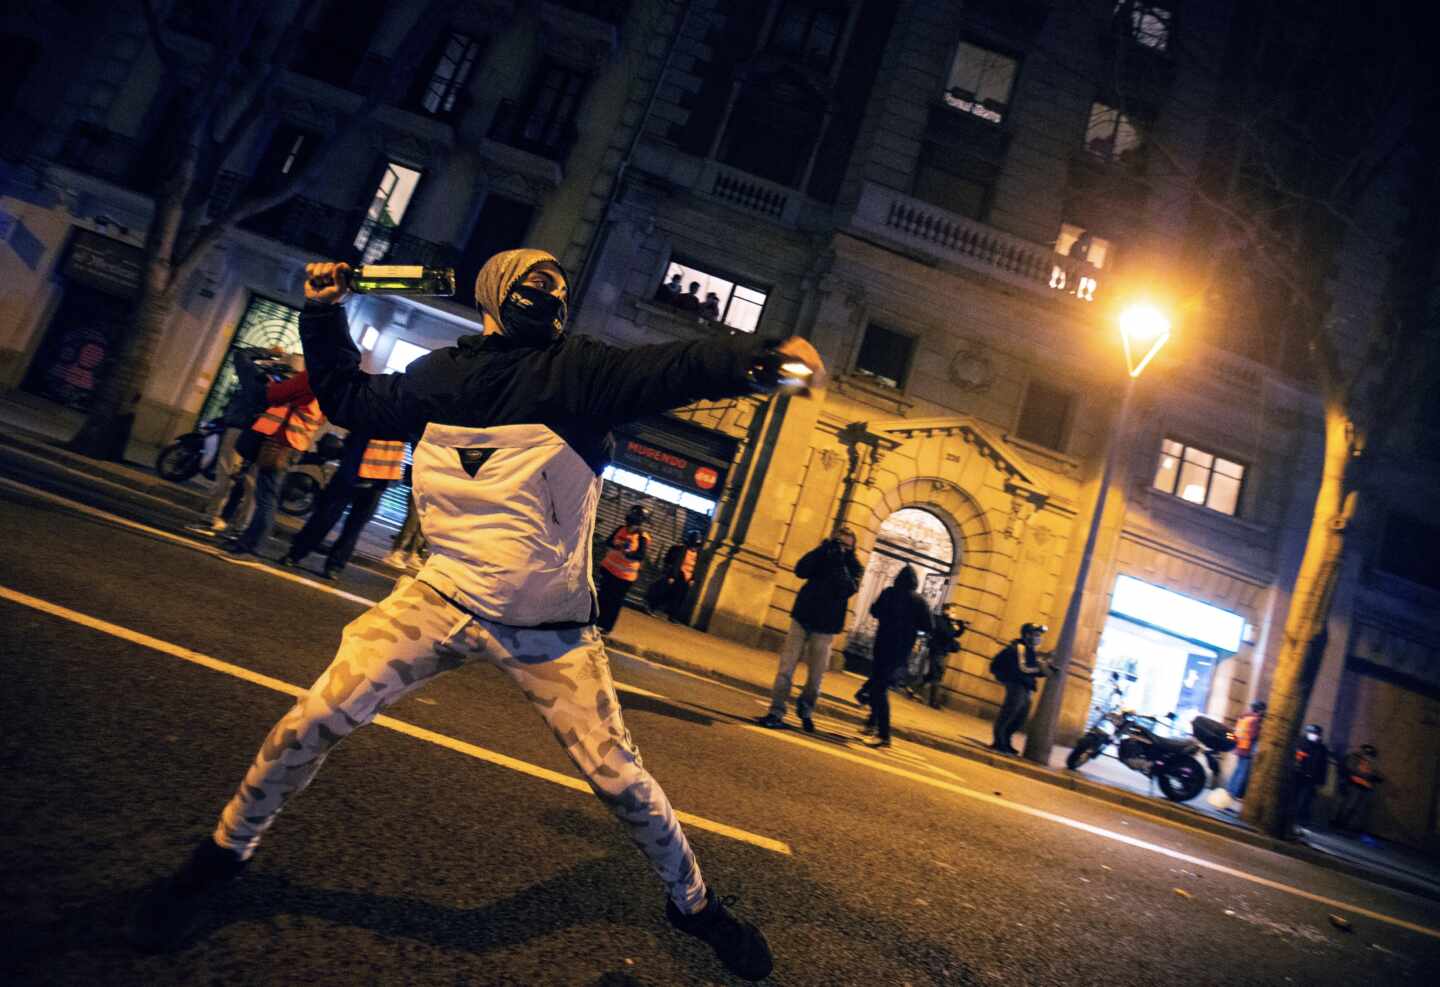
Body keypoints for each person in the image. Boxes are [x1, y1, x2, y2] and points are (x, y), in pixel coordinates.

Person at [130, 248, 823, 980]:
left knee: (622, 781)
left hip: (549, 630)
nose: (551, 292)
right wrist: (323, 311)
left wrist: (759, 358)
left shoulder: (579, 371)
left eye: (559, 284)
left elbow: (674, 367)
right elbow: (349, 402)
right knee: (310, 719)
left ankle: (694, 904)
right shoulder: (442, 374)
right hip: (438, 598)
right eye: (536, 280)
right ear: (498, 292)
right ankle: (216, 861)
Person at [759, 527, 863, 733]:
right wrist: (822, 551)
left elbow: (847, 589)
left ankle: (805, 710)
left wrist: (839, 563)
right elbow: (800, 570)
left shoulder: (854, 566)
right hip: (802, 618)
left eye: (846, 546)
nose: (841, 548)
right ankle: (776, 712)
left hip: (826, 627)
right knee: (785, 669)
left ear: (852, 548)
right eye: (837, 543)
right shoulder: (822, 554)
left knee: (816, 677)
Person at [219, 356, 325, 559]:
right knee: (267, 494)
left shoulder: (311, 378)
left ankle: (252, 545)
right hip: (297, 443)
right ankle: (248, 541)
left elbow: (275, 393)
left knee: (266, 496)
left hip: (281, 442)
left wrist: (274, 385)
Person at [191, 347, 290, 536]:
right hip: (265, 435)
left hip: (239, 429)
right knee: (252, 483)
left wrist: (269, 352)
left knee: (226, 474)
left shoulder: (255, 376)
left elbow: (241, 355)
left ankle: (212, 519)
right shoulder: (289, 389)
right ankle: (241, 527)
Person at [280, 432, 405, 579]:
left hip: (374, 476)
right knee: (327, 517)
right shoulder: (392, 415)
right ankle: (302, 555)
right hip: (357, 469)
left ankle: (328, 563)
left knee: (349, 525)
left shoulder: (401, 416)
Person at [858, 567, 931, 748]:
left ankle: (883, 734)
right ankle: (872, 725)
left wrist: (887, 618)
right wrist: (913, 631)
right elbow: (929, 626)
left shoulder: (889, 593)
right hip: (901, 650)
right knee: (879, 686)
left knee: (879, 687)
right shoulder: (920, 601)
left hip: (882, 644)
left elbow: (874, 611)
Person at [989, 622, 1048, 754]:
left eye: (1039, 635)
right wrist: (1041, 670)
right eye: (1036, 635)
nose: (1039, 638)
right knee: (1010, 712)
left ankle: (1006, 740)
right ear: (1027, 635)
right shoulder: (1020, 648)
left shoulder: (1030, 650)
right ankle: (999, 742)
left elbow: (1030, 667)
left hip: (1025, 685)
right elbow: (1023, 668)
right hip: (1016, 684)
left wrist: (1041, 668)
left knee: (1021, 716)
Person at [596, 504, 651, 633]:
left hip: (624, 577)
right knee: (602, 597)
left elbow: (640, 555)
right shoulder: (621, 529)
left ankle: (606, 627)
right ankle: (595, 622)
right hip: (609, 570)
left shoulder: (642, 537)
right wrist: (617, 545)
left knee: (614, 602)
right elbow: (608, 541)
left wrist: (629, 554)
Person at [645, 529, 702, 622]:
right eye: (694, 545)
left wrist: (693, 578)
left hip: (687, 578)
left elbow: (696, 566)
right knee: (667, 593)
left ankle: (672, 615)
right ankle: (652, 606)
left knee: (680, 597)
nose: (694, 548)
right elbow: (676, 563)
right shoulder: (682, 550)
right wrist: (672, 576)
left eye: (697, 545)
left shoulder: (697, 554)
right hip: (679, 575)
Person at [920, 603, 965, 709]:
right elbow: (947, 634)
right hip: (937, 651)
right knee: (937, 675)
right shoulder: (939, 620)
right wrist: (954, 626)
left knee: (932, 674)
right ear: (945, 610)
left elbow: (956, 634)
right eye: (952, 611)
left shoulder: (948, 622)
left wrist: (962, 627)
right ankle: (934, 702)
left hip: (942, 651)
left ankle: (914, 687)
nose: (954, 614)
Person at [1332, 743, 1384, 834]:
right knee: (1348, 806)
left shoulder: (1367, 762)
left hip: (1362, 787)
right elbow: (1352, 772)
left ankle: (1345, 826)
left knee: (1354, 808)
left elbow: (1368, 774)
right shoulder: (1355, 759)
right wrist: (1362, 779)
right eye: (1368, 755)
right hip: (1353, 786)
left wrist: (1373, 778)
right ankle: (1339, 825)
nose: (1368, 758)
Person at [1290, 723, 1330, 836]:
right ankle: (1291, 819)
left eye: (1317, 734)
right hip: (1298, 776)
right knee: (1294, 798)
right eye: (1313, 734)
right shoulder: (1300, 742)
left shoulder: (1322, 748)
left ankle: (1300, 822)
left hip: (1311, 779)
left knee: (1305, 801)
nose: (1315, 736)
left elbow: (1323, 766)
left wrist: (1321, 781)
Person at [1226, 700, 1267, 802]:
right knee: (1242, 773)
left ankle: (1229, 790)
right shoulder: (1255, 720)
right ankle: (1233, 794)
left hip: (1239, 747)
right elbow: (1254, 735)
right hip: (1247, 748)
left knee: (1237, 770)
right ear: (1260, 710)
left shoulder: (1244, 717)